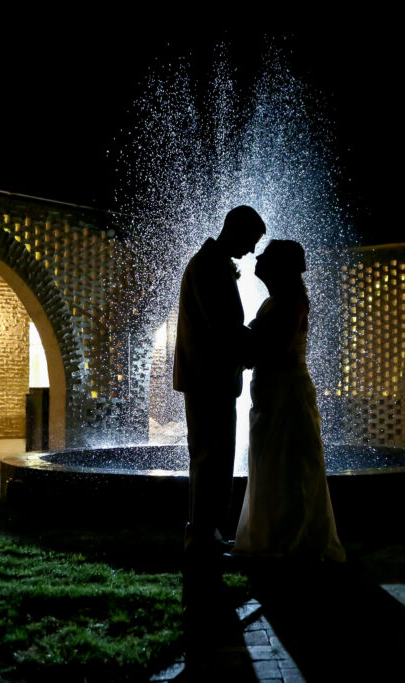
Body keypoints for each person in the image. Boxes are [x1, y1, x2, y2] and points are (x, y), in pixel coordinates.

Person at [233, 240, 345, 562]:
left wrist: (242, 340)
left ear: (280, 266)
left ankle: (291, 540)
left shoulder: (292, 302)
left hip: (287, 397)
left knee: (289, 465)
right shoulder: (276, 301)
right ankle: (270, 536)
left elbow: (274, 350)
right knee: (270, 461)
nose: (258, 257)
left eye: (266, 255)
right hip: (270, 395)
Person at [174, 205, 266, 557]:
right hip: (208, 379)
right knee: (211, 457)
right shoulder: (209, 266)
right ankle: (201, 535)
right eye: (251, 241)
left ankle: (204, 532)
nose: (251, 251)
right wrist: (256, 346)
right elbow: (222, 329)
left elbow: (222, 327)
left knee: (210, 457)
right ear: (235, 230)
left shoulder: (209, 262)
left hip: (206, 378)